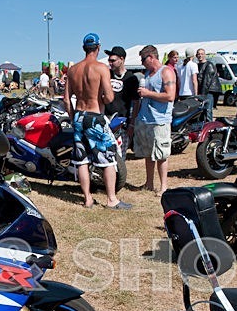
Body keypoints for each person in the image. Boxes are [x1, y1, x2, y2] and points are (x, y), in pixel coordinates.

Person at [64, 33, 131, 210]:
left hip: (79, 115)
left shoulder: (73, 70)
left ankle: (87, 199)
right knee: (108, 158)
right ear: (98, 48)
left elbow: (65, 99)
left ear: (83, 48)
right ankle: (111, 199)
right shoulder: (101, 68)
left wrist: (73, 118)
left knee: (82, 160)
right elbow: (109, 97)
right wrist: (101, 96)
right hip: (94, 115)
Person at [134, 44, 175, 196]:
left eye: (143, 59)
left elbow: (170, 96)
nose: (142, 62)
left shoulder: (166, 72)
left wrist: (148, 93)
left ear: (151, 57)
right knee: (148, 153)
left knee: (161, 154)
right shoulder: (148, 74)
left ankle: (163, 186)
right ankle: (149, 183)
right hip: (145, 119)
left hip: (160, 120)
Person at [103, 45, 139, 126]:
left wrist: (132, 124)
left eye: (113, 61)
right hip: (106, 119)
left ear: (121, 59)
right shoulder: (106, 75)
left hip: (122, 121)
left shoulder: (131, 78)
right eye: (109, 60)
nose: (110, 63)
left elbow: (136, 102)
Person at [196, 48, 220, 121]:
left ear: (205, 55)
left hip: (208, 91)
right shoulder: (197, 65)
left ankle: (209, 127)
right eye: (198, 54)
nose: (200, 55)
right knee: (201, 111)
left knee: (208, 110)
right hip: (202, 91)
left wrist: (202, 95)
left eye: (202, 54)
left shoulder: (208, 65)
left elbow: (206, 81)